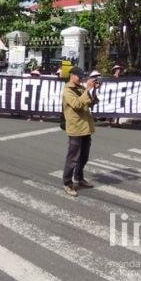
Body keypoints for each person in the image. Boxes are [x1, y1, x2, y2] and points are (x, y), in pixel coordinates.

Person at [61, 67, 97, 197]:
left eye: (82, 76)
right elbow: (76, 104)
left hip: (86, 127)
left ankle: (79, 178)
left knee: (84, 156)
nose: (80, 78)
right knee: (73, 158)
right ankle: (67, 183)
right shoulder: (67, 91)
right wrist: (87, 89)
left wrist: (94, 90)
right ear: (71, 75)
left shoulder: (80, 89)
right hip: (76, 128)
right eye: (78, 76)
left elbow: (91, 103)